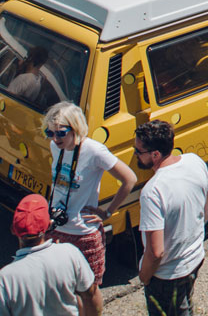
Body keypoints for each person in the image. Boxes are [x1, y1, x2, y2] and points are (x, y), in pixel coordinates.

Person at [43, 101, 137, 285]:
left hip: (83, 234)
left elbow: (130, 179)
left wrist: (108, 212)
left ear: (75, 128)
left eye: (60, 133)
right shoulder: (57, 147)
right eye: (50, 133)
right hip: (56, 230)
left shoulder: (94, 151)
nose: (55, 138)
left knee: (89, 290)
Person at [135, 119, 208, 316]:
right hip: (195, 258)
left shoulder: (152, 191)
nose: (135, 155)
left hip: (167, 275)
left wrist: (144, 277)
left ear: (155, 155)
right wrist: (193, 228)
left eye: (139, 151)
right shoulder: (193, 161)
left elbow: (156, 252)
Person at [0, 194, 102, 316]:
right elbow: (91, 296)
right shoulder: (70, 253)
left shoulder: (5, 280)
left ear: (13, 230)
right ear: (48, 225)